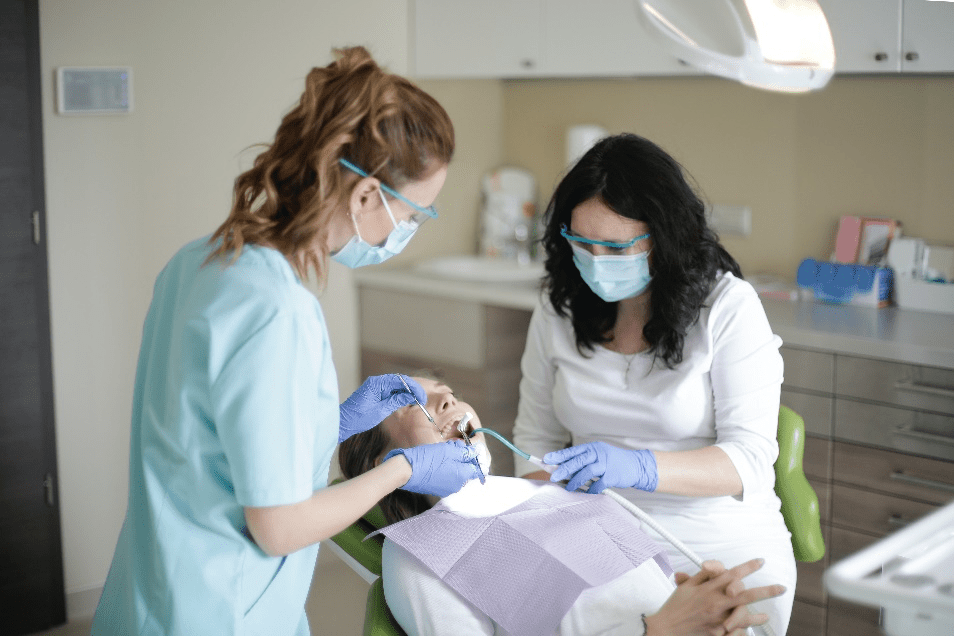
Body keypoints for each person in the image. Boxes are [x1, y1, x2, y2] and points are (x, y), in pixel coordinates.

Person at [91, 47, 482, 636]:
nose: (411, 230)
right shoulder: (280, 313)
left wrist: (340, 419)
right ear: (367, 196)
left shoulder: (198, 262)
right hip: (218, 612)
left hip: (150, 592)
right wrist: (404, 468)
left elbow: (216, 442)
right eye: (417, 214)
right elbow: (278, 527)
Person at [512, 132, 797, 634]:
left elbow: (749, 459)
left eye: (616, 246)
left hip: (715, 537)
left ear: (663, 237)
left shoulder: (727, 308)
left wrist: (637, 468)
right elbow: (535, 441)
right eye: (582, 243)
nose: (596, 261)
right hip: (594, 530)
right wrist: (541, 515)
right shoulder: (557, 310)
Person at [339, 377, 786, 636]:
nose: (448, 401)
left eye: (447, 392)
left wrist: (700, 605)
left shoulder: (553, 492)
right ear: (384, 462)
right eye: (412, 402)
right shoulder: (417, 558)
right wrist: (657, 631)